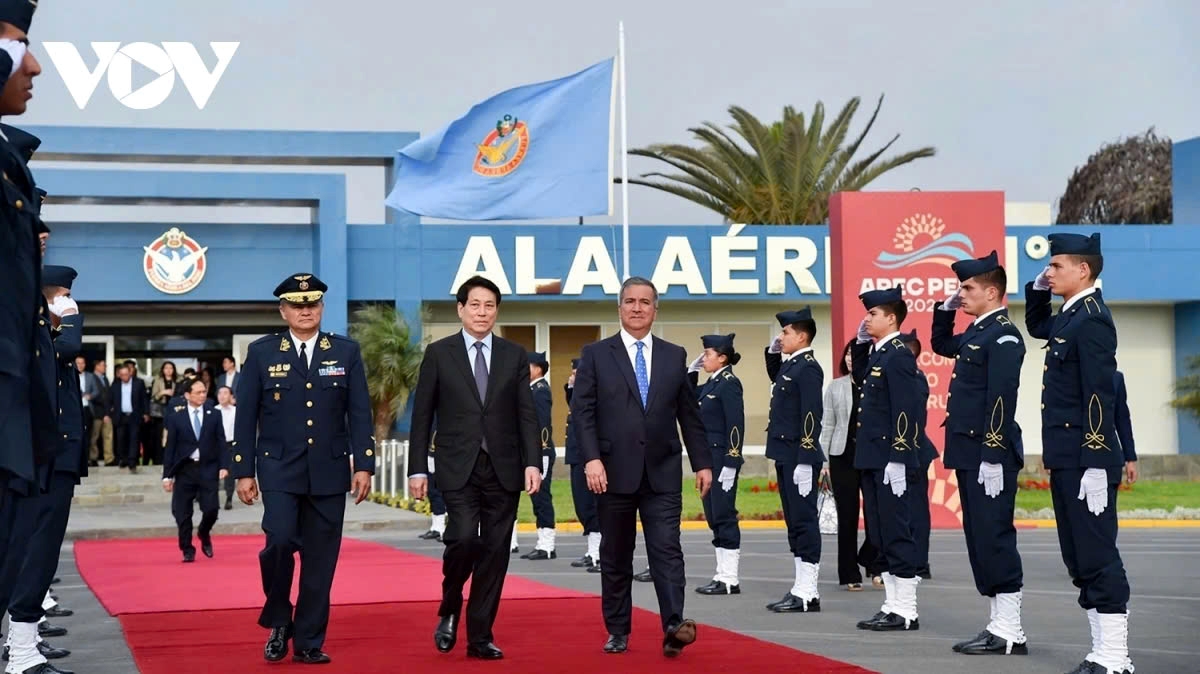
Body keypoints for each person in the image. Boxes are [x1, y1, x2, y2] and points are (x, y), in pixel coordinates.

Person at [232, 273, 375, 665]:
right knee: (278, 542)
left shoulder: (345, 352)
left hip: (329, 471)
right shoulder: (262, 353)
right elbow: (246, 415)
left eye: (312, 302)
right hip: (278, 469)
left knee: (320, 558)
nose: (305, 309)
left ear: (322, 307)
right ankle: (280, 617)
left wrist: (364, 464)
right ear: (284, 311)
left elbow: (359, 412)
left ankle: (309, 639)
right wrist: (244, 469)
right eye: (297, 304)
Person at [571, 276, 712, 657]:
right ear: (619, 308)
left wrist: (702, 462)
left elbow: (688, 413)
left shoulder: (674, 355)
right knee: (616, 555)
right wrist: (591, 459)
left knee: (667, 549)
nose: (637, 308)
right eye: (630, 301)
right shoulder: (596, 355)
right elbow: (582, 413)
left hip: (662, 472)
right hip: (611, 474)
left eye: (645, 302)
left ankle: (672, 625)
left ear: (655, 309)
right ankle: (618, 629)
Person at [406, 275, 541, 661]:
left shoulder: (514, 355)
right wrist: (418, 468)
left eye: (490, 306)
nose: (482, 312)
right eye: (475, 305)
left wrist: (533, 461)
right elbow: (422, 416)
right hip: (457, 465)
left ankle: (480, 635)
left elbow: (525, 415)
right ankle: (450, 604)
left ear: (496, 311)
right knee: (463, 538)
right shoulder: (439, 353)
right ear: (461, 309)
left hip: (505, 468)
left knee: (496, 552)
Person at [1025, 233, 1133, 674]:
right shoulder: (1071, 316)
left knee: (1097, 553)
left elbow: (1099, 396)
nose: (1049, 272)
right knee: (1078, 556)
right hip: (1067, 457)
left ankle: (1115, 657)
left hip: (1085, 458)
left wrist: (1095, 459)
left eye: (1056, 266)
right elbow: (1037, 328)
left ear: (1082, 270)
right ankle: (1100, 653)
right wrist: (1036, 292)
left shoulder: (1092, 320)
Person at [931, 249, 1029, 656]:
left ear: (992, 292)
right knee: (979, 538)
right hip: (970, 452)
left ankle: (1011, 632)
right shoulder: (977, 332)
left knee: (994, 538)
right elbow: (940, 343)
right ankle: (998, 625)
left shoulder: (1003, 335)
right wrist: (945, 309)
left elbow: (1001, 399)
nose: (962, 294)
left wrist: (992, 453)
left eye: (967, 288)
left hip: (990, 454)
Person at [0, 264, 81, 671]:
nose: (69, 300)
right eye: (64, 294)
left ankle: (23, 646)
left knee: (40, 554)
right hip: (40, 456)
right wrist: (70, 319)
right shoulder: (38, 331)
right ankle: (20, 651)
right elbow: (68, 350)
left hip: (57, 455)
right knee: (30, 553)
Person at [850, 287, 924, 633]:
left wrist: (898, 457)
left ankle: (906, 608)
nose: (866, 319)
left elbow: (906, 410)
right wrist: (863, 342)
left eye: (873, 314)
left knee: (897, 532)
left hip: (889, 459)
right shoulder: (880, 353)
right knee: (880, 533)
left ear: (891, 318)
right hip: (872, 458)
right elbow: (861, 377)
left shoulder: (898, 356)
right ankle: (892, 604)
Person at [763, 309, 825, 613]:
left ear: (802, 336)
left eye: (785, 333)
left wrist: (805, 457)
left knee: (804, 521)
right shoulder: (793, 366)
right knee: (794, 523)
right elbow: (776, 376)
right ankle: (800, 588)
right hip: (785, 454)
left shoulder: (808, 368)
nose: (780, 337)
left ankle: (809, 591)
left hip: (799, 456)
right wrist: (773, 352)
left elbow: (812, 415)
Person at [819, 339, 883, 592]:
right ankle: (848, 572)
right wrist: (823, 460)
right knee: (846, 517)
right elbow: (828, 425)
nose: (850, 358)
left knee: (876, 516)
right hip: (841, 456)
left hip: (870, 456)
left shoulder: (875, 384)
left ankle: (875, 565)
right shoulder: (835, 387)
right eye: (847, 354)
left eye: (854, 354)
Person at [689, 333, 745, 596]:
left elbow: (736, 425)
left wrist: (732, 462)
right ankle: (721, 574)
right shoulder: (711, 384)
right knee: (713, 517)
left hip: (722, 460)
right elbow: (688, 400)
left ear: (722, 358)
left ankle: (730, 578)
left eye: (708, 354)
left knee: (724, 516)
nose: (704, 359)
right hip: (707, 462)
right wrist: (691, 371)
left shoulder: (729, 384)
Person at [162, 379, 228, 562]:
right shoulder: (177, 417)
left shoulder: (214, 414)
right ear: (187, 395)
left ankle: (204, 533)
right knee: (182, 513)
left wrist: (224, 465)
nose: (202, 395)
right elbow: (171, 448)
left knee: (212, 509)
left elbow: (221, 441)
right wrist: (167, 476)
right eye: (198, 392)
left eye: (204, 392)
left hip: (208, 468)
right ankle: (187, 548)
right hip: (185, 469)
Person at [898, 330, 938, 581]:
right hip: (908, 450)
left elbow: (914, 419)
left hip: (913, 451)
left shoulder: (913, 377)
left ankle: (919, 561)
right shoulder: (908, 376)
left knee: (916, 510)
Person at [564, 358, 601, 572]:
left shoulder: (595, 395)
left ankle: (599, 554)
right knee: (583, 506)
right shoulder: (579, 394)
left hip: (589, 458)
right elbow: (576, 410)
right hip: (577, 457)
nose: (574, 376)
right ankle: (592, 551)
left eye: (578, 373)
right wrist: (571, 388)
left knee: (594, 506)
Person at [520, 351, 557, 560]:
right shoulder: (532, 390)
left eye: (528, 366)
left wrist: (542, 451)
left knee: (542, 498)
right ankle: (542, 542)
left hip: (541, 451)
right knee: (536, 498)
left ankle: (547, 545)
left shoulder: (540, 391)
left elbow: (543, 424)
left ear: (538, 369)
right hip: (532, 452)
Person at [1114, 371, 1137, 486]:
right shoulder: (1071, 374)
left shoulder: (1116, 378)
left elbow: (1122, 420)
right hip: (1075, 456)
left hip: (1109, 454)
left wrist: (1130, 459)